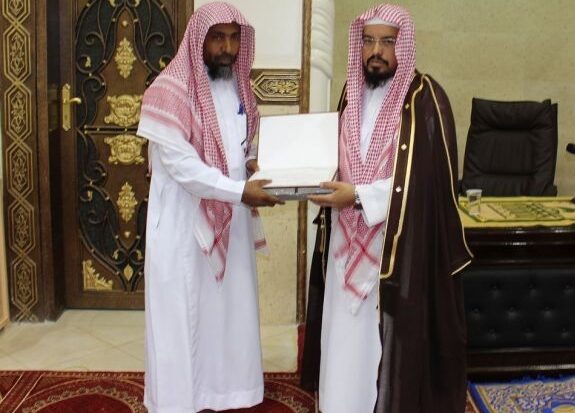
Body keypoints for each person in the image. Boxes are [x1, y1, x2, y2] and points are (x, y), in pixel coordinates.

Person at [304, 4, 473, 413]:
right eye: (368, 41)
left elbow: (425, 180)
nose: (376, 51)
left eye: (387, 42)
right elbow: (337, 158)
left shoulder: (426, 99)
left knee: (385, 347)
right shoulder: (351, 93)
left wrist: (360, 196)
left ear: (404, 45)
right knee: (342, 341)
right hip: (345, 239)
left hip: (397, 247)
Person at [137, 3, 282, 412]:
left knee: (227, 315)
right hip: (183, 227)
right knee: (183, 319)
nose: (227, 48)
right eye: (218, 38)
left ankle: (225, 393)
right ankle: (179, 402)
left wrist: (252, 163)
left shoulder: (239, 88)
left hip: (230, 221)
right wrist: (240, 192)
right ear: (199, 39)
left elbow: (244, 144)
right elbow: (182, 167)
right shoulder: (169, 91)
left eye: (234, 38)